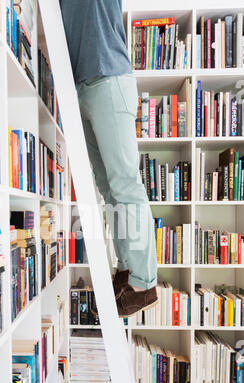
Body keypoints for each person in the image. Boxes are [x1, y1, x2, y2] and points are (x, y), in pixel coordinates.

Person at [60, 0, 158, 317]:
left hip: (108, 78)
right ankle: (126, 269)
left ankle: (145, 284)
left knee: (126, 185)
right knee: (107, 188)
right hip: (77, 87)